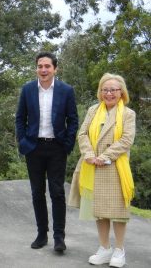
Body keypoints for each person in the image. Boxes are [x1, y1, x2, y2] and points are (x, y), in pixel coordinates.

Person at [68, 73, 135, 268]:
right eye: (105, 90)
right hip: (92, 166)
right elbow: (82, 133)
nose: (109, 93)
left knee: (118, 212)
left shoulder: (128, 114)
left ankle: (119, 250)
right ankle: (104, 248)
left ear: (121, 92)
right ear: (100, 92)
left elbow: (126, 140)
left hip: (115, 168)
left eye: (113, 90)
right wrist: (89, 154)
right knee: (100, 211)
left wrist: (104, 156)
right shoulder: (93, 110)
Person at [15, 51, 78, 252]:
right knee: (37, 193)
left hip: (57, 148)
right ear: (36, 68)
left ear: (55, 68)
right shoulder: (27, 90)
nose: (43, 70)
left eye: (47, 66)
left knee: (57, 192)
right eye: (40, 66)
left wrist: (67, 144)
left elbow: (73, 120)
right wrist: (23, 142)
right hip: (34, 148)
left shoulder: (66, 90)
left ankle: (59, 237)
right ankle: (42, 234)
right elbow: (20, 118)